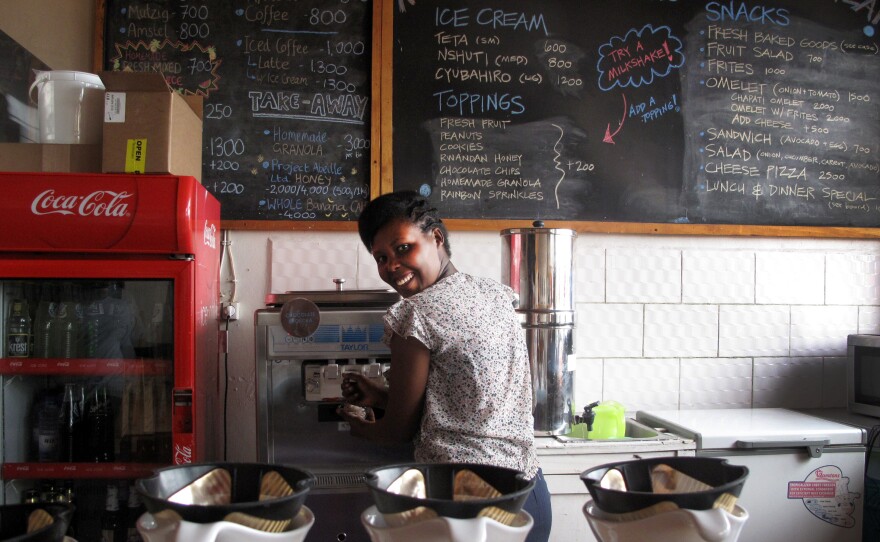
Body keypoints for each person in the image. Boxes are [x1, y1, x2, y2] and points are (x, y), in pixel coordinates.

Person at [338, 190, 552, 541]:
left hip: (463, 502)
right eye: (381, 257)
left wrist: (358, 425)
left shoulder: (416, 313)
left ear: (436, 237)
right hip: (528, 493)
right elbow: (464, 395)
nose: (391, 266)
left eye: (403, 248)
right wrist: (380, 395)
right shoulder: (495, 294)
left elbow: (397, 433)